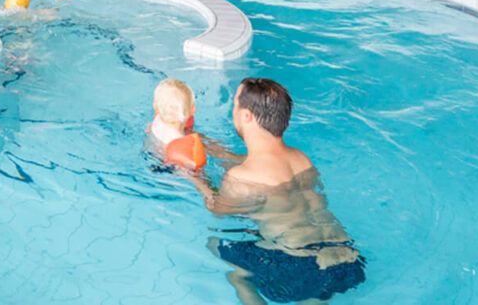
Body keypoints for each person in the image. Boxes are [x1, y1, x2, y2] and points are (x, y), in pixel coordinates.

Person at [191, 78, 364, 304]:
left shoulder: (241, 177)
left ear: (247, 116)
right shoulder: (300, 158)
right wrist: (213, 148)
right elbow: (259, 167)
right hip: (345, 257)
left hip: (297, 265)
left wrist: (193, 175)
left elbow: (216, 208)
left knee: (223, 253)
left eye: (235, 105)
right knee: (315, 286)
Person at [149, 78, 208, 169]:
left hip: (152, 156)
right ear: (193, 110)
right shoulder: (181, 145)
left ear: (155, 107)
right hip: (173, 165)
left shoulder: (157, 120)